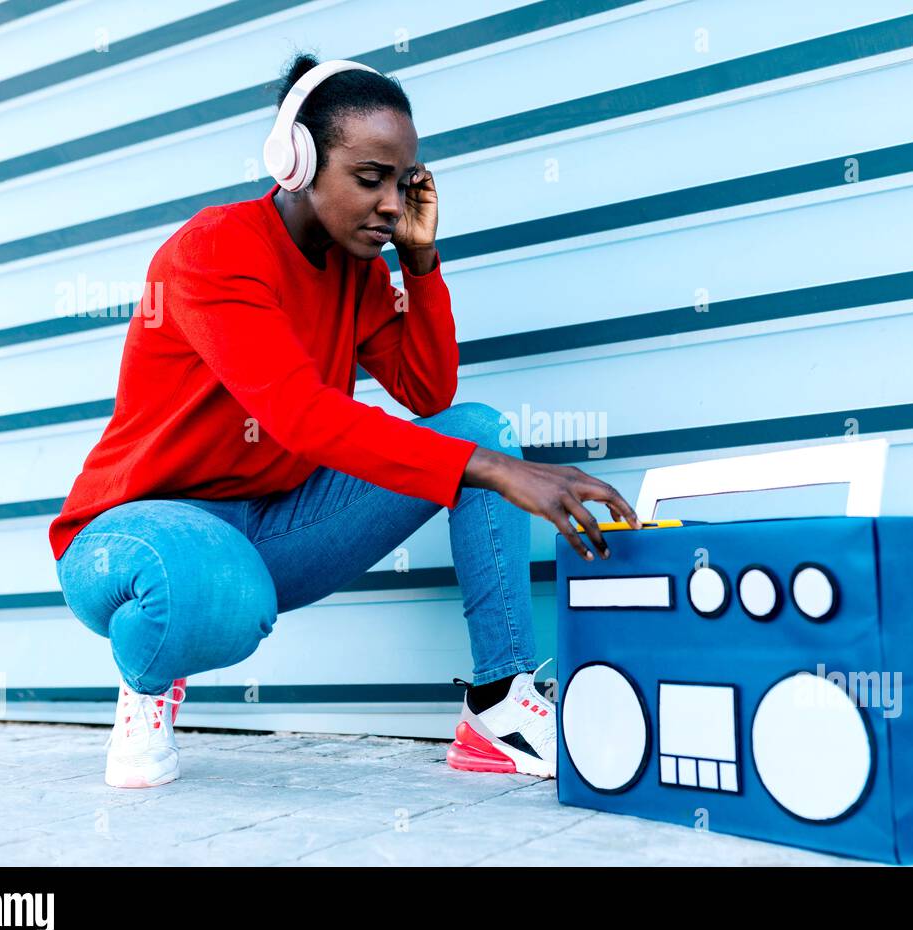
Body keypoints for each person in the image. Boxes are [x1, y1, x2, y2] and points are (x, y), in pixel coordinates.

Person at [49, 53, 640, 789]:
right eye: (370, 179)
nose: (392, 203)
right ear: (296, 162)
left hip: (270, 529)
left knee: (479, 429)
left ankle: (498, 706)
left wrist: (420, 263)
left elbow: (427, 392)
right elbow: (299, 414)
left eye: (404, 181)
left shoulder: (360, 271)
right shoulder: (215, 250)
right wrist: (493, 473)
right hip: (139, 528)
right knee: (210, 590)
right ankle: (149, 676)